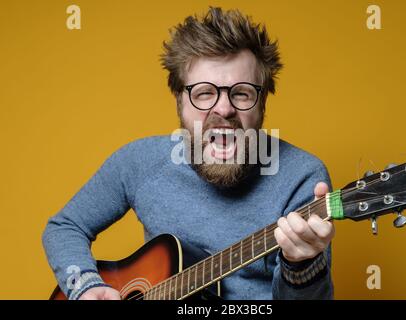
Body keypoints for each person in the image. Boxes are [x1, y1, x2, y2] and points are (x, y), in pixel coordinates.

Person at [42, 7, 335, 300]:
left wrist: (302, 267)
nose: (224, 109)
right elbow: (65, 226)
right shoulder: (139, 161)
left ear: (262, 103)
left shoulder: (302, 177)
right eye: (204, 92)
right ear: (179, 100)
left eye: (242, 92)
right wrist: (84, 287)